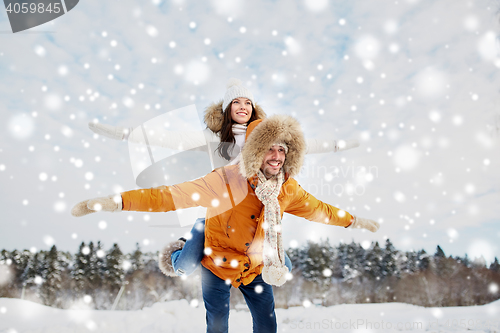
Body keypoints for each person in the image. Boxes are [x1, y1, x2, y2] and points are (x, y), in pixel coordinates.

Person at [72, 114, 379, 333]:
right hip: (216, 263)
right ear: (255, 151)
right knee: (217, 323)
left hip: (254, 266)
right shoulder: (226, 181)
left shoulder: (288, 189)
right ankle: (185, 245)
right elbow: (170, 196)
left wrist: (355, 221)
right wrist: (116, 202)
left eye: (282, 149)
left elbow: (320, 210)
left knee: (267, 322)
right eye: (269, 148)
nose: (276, 155)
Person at [88, 78, 360, 278]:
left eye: (248, 103)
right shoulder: (214, 138)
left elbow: (304, 143)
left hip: (254, 216)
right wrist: (126, 134)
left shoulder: (264, 136)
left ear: (254, 109)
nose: (243, 106)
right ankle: (183, 245)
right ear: (228, 108)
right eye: (237, 102)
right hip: (219, 213)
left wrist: (339, 144)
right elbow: (170, 139)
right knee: (183, 267)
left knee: (284, 268)